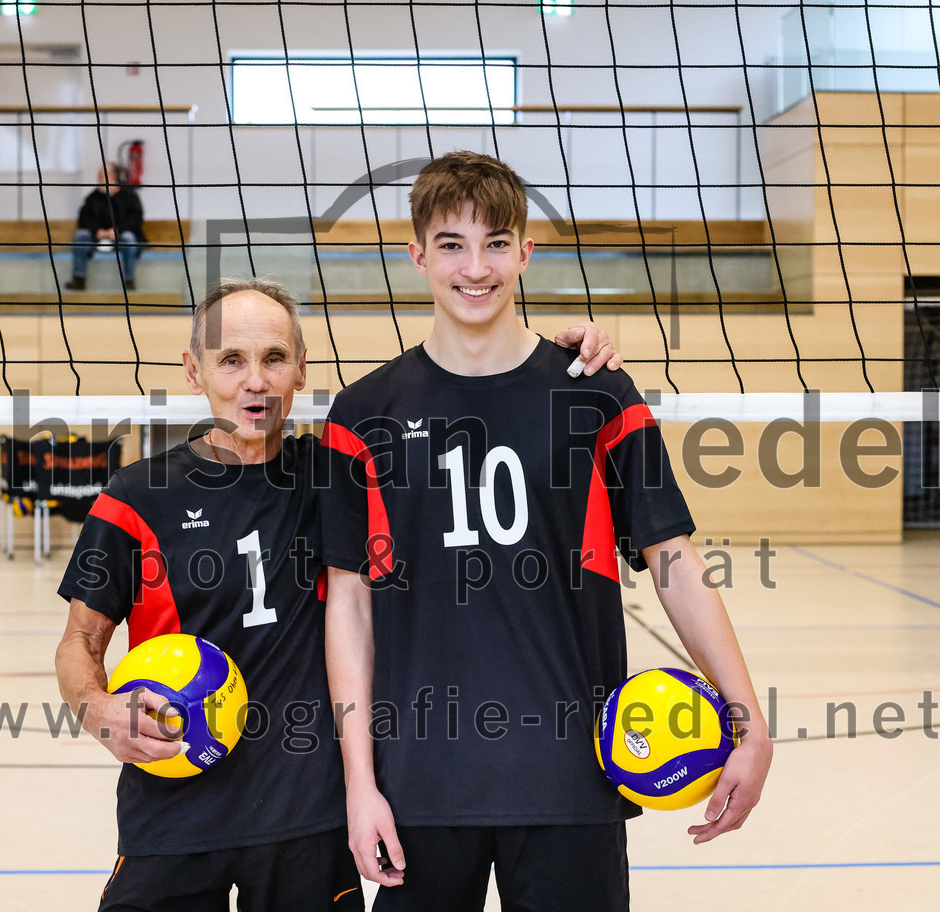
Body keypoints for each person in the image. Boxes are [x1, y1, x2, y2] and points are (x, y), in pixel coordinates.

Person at [54, 275, 620, 911]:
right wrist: (95, 708)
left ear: (302, 367)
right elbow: (79, 641)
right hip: (174, 802)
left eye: (273, 359)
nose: (255, 382)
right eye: (231, 361)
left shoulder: (343, 472)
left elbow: (472, 413)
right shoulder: (135, 496)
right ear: (193, 371)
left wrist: (561, 352)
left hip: (310, 819)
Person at [321, 152, 773, 911]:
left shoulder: (595, 393)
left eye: (497, 242)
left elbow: (672, 560)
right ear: (417, 256)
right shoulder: (363, 414)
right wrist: (359, 785)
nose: (476, 267)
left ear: (527, 253)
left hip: (573, 777)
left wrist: (747, 719)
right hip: (422, 783)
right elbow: (349, 606)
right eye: (452, 244)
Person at [66, 161, 145, 291]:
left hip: (121, 235)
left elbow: (136, 218)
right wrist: (98, 231)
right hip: (98, 236)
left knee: (129, 238)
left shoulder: (129, 196)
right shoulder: (93, 197)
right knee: (81, 236)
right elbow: (83, 218)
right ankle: (79, 279)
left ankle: (129, 280)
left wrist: (117, 230)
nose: (99, 179)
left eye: (102, 175)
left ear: (113, 176)